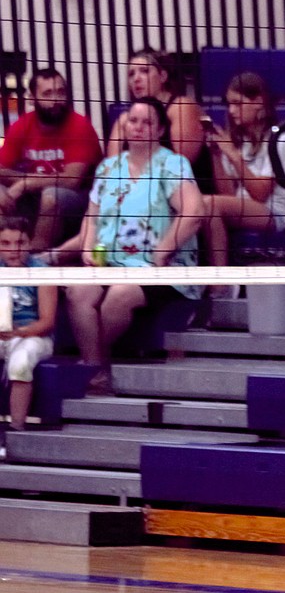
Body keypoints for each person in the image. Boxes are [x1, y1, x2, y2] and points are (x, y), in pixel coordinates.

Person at [59, 97, 205, 396]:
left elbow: (194, 212)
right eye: (133, 120)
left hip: (160, 269)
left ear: (160, 128)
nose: (138, 127)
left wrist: (163, 250)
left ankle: (97, 367)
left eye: (147, 122)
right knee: (77, 290)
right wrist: (87, 249)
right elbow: (92, 216)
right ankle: (95, 367)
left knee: (119, 295)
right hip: (111, 263)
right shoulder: (108, 167)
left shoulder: (172, 164)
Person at [201, 72, 285, 278]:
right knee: (201, 206)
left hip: (273, 212)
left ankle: (221, 280)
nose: (231, 110)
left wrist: (233, 155)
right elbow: (227, 194)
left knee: (206, 204)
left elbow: (261, 194)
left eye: (238, 103)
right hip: (244, 207)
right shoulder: (238, 142)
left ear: (259, 102)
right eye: (229, 104)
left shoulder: (281, 140)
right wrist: (216, 155)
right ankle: (215, 277)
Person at [0, 68, 102, 250]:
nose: (56, 100)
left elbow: (72, 180)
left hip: (79, 202)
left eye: (61, 92)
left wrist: (26, 183)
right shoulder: (22, 126)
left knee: (51, 196)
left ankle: (36, 259)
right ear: (32, 99)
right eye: (48, 93)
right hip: (32, 199)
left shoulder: (79, 126)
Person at [106, 48, 210, 185]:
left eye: (144, 71)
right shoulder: (124, 119)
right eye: (131, 74)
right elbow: (111, 171)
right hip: (135, 191)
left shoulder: (181, 107)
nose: (136, 79)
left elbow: (180, 166)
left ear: (162, 76)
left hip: (183, 192)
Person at [0, 216, 57, 431]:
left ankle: (15, 429)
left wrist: (18, 332)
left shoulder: (42, 272)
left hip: (34, 336)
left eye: (20, 243)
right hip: (3, 335)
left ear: (30, 243)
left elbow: (47, 322)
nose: (13, 250)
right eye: (5, 244)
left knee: (20, 362)